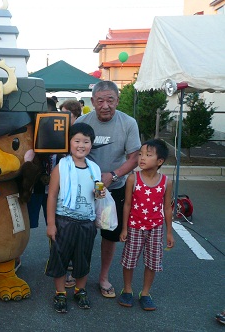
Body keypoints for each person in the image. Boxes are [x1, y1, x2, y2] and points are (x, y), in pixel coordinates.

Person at [75, 80, 141, 298]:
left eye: (110, 100)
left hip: (116, 188)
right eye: (100, 100)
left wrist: (113, 175)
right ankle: (77, 272)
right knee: (81, 234)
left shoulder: (128, 123)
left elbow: (134, 158)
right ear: (92, 101)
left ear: (117, 101)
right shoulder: (83, 122)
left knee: (109, 235)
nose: (105, 105)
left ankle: (103, 277)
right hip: (86, 190)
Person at [45, 123, 104, 313]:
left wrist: (99, 195)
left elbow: (95, 193)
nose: (81, 145)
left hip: (87, 221)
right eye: (77, 140)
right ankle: (60, 292)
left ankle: (80, 290)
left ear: (91, 144)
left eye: (86, 141)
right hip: (64, 221)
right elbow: (52, 196)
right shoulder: (61, 167)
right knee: (60, 258)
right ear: (69, 143)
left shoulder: (94, 168)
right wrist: (51, 224)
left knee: (83, 259)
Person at [118, 139, 174, 311]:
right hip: (134, 227)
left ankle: (145, 293)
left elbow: (167, 208)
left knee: (152, 262)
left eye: (148, 155)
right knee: (129, 261)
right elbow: (127, 204)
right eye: (141, 154)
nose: (142, 158)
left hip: (155, 228)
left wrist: (169, 233)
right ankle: (127, 289)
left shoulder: (166, 182)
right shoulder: (133, 179)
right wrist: (124, 228)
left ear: (159, 161)